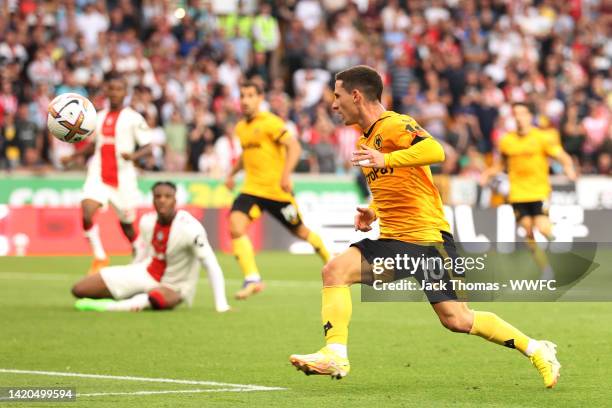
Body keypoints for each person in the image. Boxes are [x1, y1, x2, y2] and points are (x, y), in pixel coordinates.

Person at [289, 65, 561, 388]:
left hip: (431, 241)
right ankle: (335, 352)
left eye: (338, 96)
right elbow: (402, 182)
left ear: (356, 95)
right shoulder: (366, 140)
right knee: (334, 271)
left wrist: (385, 160)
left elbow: (436, 150)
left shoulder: (395, 124)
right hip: (396, 240)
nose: (333, 104)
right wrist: (374, 211)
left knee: (458, 319)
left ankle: (537, 349)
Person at [225, 81, 330, 300]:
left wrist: (285, 176)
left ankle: (332, 263)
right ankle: (252, 278)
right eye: (242, 95)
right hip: (252, 190)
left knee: (300, 231)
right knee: (236, 226)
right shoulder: (241, 127)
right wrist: (232, 174)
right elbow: (246, 155)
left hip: (277, 193)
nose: (245, 100)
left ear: (260, 98)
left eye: (250, 95)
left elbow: (295, 146)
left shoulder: (271, 123)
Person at [71, 181, 230, 313]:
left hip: (175, 286)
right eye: (158, 196)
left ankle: (110, 307)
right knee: (80, 289)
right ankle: (133, 295)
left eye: (168, 197)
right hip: (146, 273)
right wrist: (129, 275)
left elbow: (211, 265)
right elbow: (142, 253)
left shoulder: (190, 228)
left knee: (157, 298)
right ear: (152, 200)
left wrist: (221, 304)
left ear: (175, 200)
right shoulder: (147, 222)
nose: (162, 200)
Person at [62, 73, 152, 275]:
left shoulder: (133, 118)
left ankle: (138, 248)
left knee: (127, 225)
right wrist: (73, 157)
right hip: (98, 175)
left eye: (118, 89)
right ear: (106, 91)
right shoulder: (98, 117)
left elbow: (149, 147)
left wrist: (134, 155)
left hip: (124, 178)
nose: (114, 93)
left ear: (125, 92)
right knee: (86, 210)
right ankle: (100, 256)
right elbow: (94, 145)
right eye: (111, 89)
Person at [481, 102, 576, 276]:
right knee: (528, 231)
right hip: (517, 193)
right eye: (515, 113)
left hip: (539, 190)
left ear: (529, 116)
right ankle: (546, 269)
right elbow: (500, 165)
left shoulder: (541, 137)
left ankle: (555, 236)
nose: (518, 117)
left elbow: (561, 155)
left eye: (522, 113)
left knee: (541, 227)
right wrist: (488, 173)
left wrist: (569, 167)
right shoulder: (507, 141)